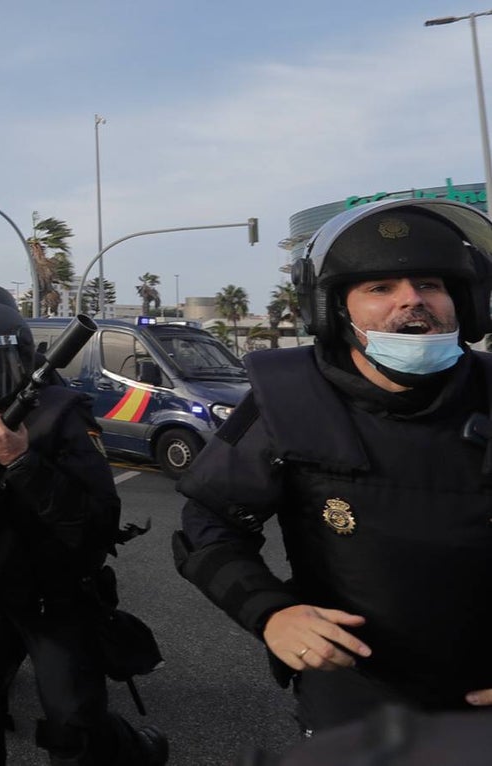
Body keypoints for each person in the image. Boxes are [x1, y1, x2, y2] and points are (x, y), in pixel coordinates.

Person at [172, 197, 492, 737]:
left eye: (430, 284)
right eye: (380, 287)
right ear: (334, 309)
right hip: (357, 690)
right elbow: (208, 524)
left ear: (463, 299)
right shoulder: (287, 399)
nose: (412, 300)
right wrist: (271, 612)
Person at [0, 298, 167, 765]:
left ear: (20, 360)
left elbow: (95, 518)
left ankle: (138, 751)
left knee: (73, 728)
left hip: (55, 593)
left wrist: (22, 462)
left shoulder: (62, 414)